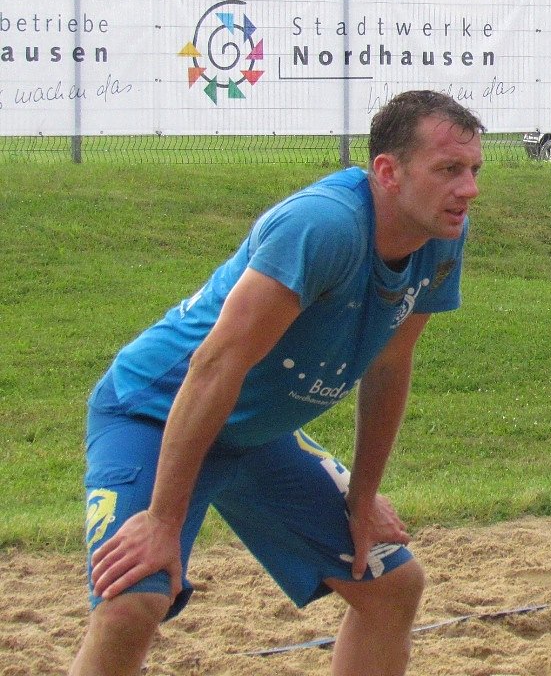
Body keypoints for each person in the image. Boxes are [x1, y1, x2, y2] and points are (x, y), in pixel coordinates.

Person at [69, 89, 485, 676]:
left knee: (392, 585)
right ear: (388, 172)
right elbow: (216, 366)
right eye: (448, 170)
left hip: (253, 433)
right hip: (153, 411)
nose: (467, 189)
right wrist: (162, 521)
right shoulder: (325, 226)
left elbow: (391, 363)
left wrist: (363, 497)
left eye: (473, 170)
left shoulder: (442, 236)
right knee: (135, 597)